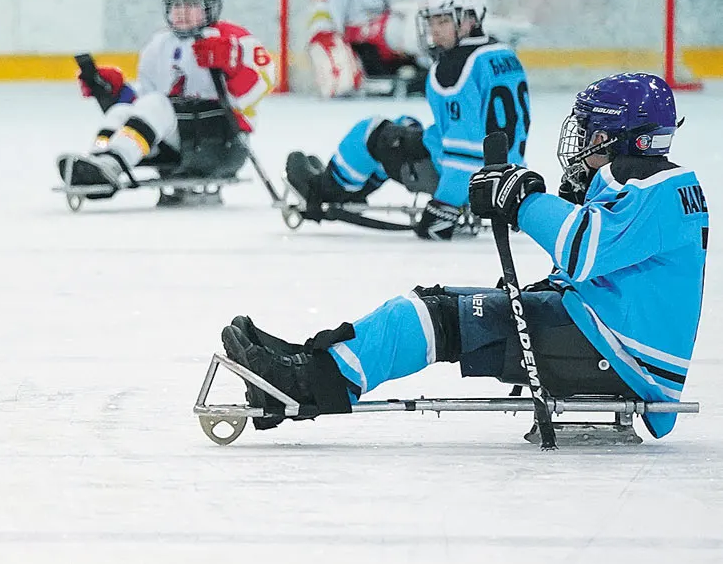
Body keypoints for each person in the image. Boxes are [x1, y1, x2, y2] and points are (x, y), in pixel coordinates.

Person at [225, 73, 704, 439]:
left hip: (615, 354)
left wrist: (523, 201)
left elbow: (583, 249)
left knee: (437, 316)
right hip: (604, 336)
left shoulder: (658, 188)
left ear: (624, 137)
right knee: (436, 306)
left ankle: (308, 383)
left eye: (593, 132)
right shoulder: (652, 185)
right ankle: (314, 363)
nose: (582, 142)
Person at [285, 0, 527, 240]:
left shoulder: (453, 68)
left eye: (443, 21)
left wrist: (445, 208)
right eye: (432, 21)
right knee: (405, 123)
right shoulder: (503, 53)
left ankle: (323, 190)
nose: (434, 30)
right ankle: (355, 188)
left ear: (469, 20)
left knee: (372, 132)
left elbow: (465, 149)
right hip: (508, 175)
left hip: (465, 182)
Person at [57, 0, 271, 196]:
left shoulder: (233, 38)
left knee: (158, 104)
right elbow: (145, 104)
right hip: (180, 142)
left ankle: (112, 163)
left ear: (211, 7)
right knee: (121, 111)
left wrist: (234, 63)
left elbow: (264, 83)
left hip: (220, 143)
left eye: (191, 6)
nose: (182, 13)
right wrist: (115, 92)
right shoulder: (160, 45)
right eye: (176, 5)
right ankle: (99, 161)